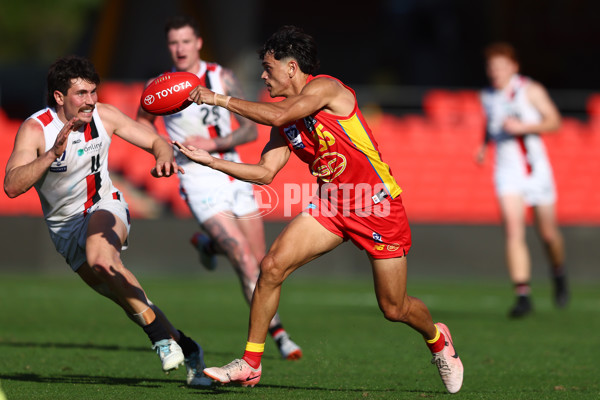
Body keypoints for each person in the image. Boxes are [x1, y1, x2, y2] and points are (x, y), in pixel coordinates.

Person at [174, 25, 464, 394]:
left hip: (376, 205)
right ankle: (250, 363)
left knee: (394, 308)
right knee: (271, 267)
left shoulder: (326, 88)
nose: (263, 75)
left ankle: (438, 340)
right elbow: (264, 174)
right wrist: (210, 161)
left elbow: (279, 116)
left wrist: (217, 99)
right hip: (332, 206)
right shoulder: (286, 118)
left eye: (268, 67)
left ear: (292, 68)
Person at [3, 55, 211, 387]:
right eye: (81, 94)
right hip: (65, 230)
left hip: (105, 206)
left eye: (93, 92)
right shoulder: (36, 129)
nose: (90, 101)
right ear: (59, 97)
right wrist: (51, 154)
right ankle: (188, 347)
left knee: (103, 260)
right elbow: (12, 186)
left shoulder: (104, 116)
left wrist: (162, 158)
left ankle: (159, 339)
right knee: (126, 296)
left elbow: (156, 140)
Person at [136, 16, 302, 361]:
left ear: (198, 43)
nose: (179, 49)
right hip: (196, 180)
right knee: (242, 257)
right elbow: (142, 123)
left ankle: (209, 246)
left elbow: (249, 131)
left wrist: (212, 144)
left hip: (231, 171)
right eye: (173, 43)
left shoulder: (221, 77)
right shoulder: (158, 85)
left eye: (185, 41)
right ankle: (279, 333)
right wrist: (161, 146)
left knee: (258, 261)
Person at [476, 42, 569, 318]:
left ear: (513, 67)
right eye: (492, 67)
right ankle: (522, 294)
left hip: (536, 170)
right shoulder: (488, 96)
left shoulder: (530, 90)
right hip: (506, 172)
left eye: (501, 66)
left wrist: (524, 127)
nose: (496, 72)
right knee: (514, 230)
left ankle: (558, 273)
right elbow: (490, 125)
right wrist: (482, 146)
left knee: (549, 234)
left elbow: (555, 121)